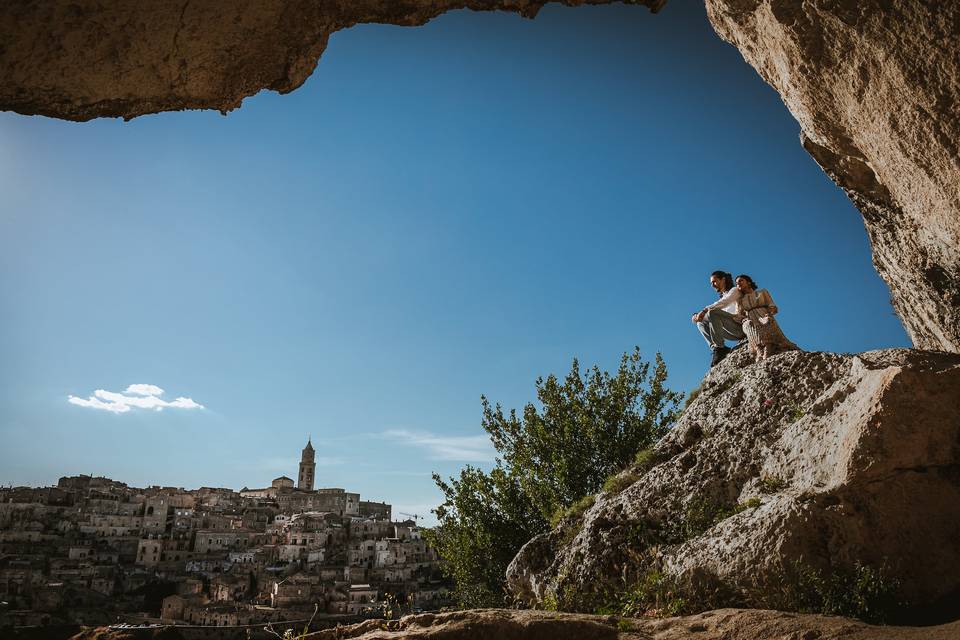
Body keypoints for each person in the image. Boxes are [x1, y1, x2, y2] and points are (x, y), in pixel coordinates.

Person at [732, 274, 799, 359]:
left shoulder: (762, 292)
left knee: (767, 320)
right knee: (748, 325)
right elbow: (737, 315)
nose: (739, 284)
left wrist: (770, 312)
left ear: (748, 282)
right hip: (750, 317)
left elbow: (772, 305)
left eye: (741, 281)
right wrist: (743, 319)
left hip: (763, 314)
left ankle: (768, 348)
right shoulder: (740, 300)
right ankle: (758, 349)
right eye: (737, 283)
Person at [692, 270, 746, 367]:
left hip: (740, 327)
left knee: (712, 312)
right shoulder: (721, 298)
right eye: (711, 283)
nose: (712, 285)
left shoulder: (735, 291)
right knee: (700, 323)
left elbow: (724, 302)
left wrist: (704, 310)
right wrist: (696, 316)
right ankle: (717, 349)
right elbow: (719, 304)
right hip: (730, 332)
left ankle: (719, 347)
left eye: (715, 281)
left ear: (723, 280)